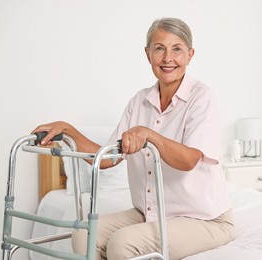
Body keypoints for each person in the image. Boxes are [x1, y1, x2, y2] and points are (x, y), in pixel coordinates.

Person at [33, 17, 233, 260]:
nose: (168, 58)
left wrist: (149, 135)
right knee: (84, 236)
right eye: (159, 48)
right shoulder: (139, 101)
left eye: (177, 49)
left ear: (190, 55)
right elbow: (107, 158)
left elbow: (189, 160)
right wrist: (69, 131)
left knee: (123, 244)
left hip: (204, 219)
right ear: (148, 54)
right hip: (151, 212)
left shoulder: (201, 98)